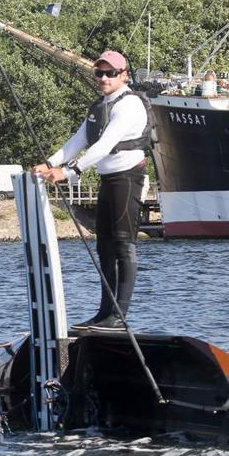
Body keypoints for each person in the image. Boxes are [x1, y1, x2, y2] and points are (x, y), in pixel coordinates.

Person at [34, 50, 149, 331]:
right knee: (104, 247)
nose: (104, 78)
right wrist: (49, 163)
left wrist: (69, 172)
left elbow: (104, 145)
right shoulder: (100, 106)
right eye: (99, 73)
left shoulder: (130, 105)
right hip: (109, 179)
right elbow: (79, 140)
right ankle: (103, 313)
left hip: (128, 177)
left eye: (110, 73)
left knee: (123, 245)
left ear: (124, 75)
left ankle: (119, 318)